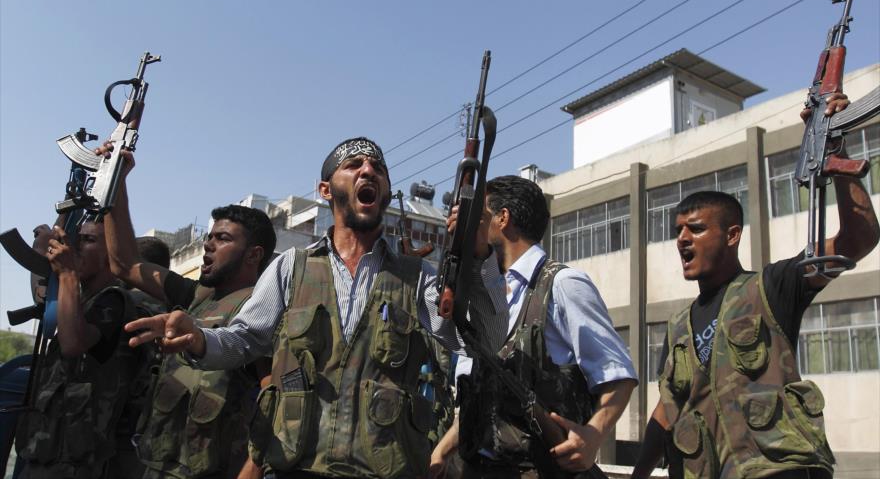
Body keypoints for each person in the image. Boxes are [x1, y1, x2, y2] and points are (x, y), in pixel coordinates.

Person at [123, 136, 509, 479]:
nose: (368, 170)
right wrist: (198, 340)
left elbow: (486, 342)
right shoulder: (292, 267)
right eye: (353, 165)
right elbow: (243, 340)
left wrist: (481, 256)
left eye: (378, 167)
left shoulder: (417, 277)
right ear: (326, 189)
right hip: (294, 467)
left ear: (387, 191)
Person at [631, 97, 880, 479]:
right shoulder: (678, 326)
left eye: (695, 229)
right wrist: (639, 474)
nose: (682, 239)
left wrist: (835, 148)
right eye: (677, 231)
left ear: (732, 235)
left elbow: (858, 239)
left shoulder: (771, 287)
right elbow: (666, 410)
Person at [430, 175, 638, 479]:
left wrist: (593, 435)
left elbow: (618, 375)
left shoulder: (563, 284)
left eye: (480, 216)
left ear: (503, 218)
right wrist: (440, 453)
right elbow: (484, 398)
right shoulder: (486, 294)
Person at [102, 149, 277, 479]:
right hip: (156, 466)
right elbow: (123, 263)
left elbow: (276, 402)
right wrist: (116, 179)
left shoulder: (261, 312)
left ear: (254, 254)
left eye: (222, 238)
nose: (208, 245)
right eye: (209, 236)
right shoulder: (195, 295)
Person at [14, 219, 164, 479]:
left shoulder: (114, 301)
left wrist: (68, 274)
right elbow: (46, 300)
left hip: (76, 461)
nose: (77, 247)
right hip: (47, 451)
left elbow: (74, 343)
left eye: (89, 240)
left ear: (112, 257)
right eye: (77, 239)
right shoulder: (83, 300)